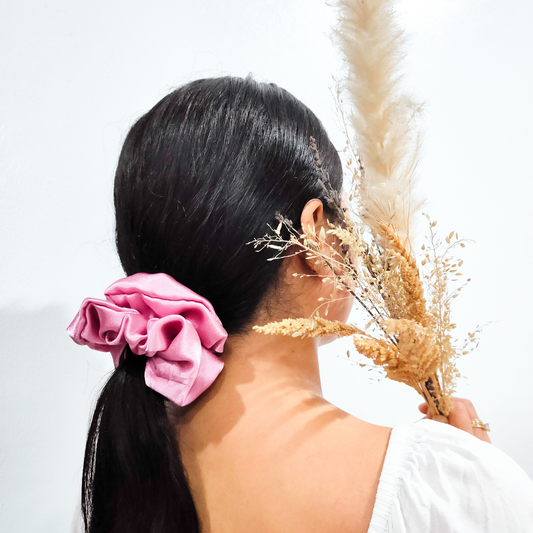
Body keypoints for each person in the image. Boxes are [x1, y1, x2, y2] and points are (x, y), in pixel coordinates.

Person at [69, 76, 533, 533]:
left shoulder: (112, 489)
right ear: (315, 235)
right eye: (344, 215)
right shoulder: (439, 489)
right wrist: (471, 488)